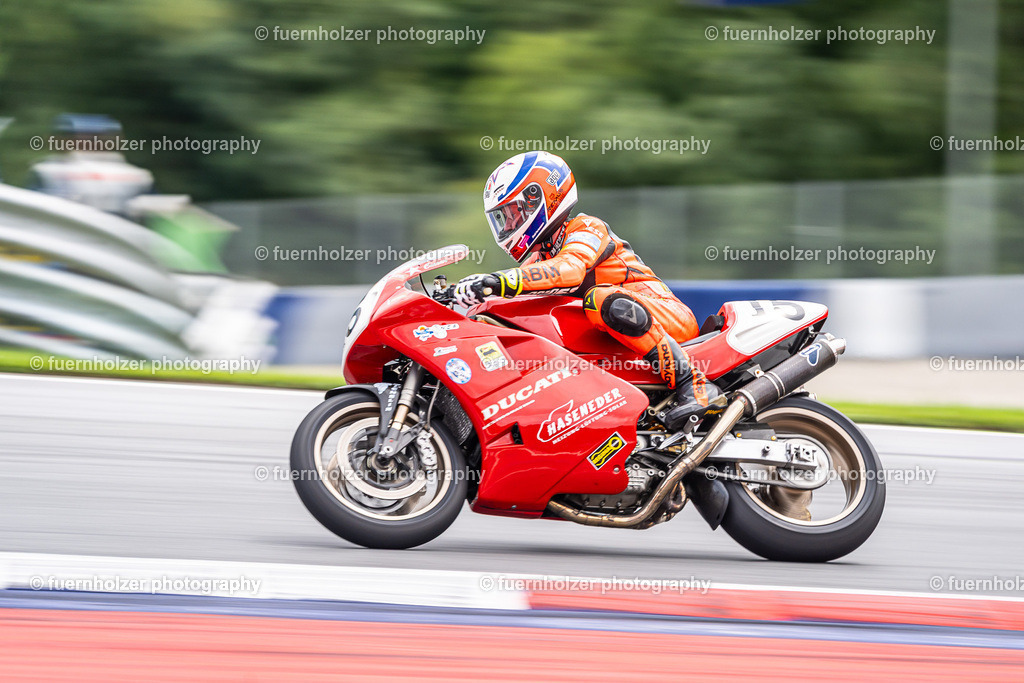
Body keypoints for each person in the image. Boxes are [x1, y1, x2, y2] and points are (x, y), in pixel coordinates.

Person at [454, 151, 717, 429]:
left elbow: (570, 268)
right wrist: (462, 298)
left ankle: (695, 384)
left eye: (512, 213)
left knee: (600, 298)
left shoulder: (586, 226)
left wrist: (497, 280)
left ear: (537, 199)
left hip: (666, 315)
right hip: (620, 339)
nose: (508, 226)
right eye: (502, 219)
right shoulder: (537, 260)